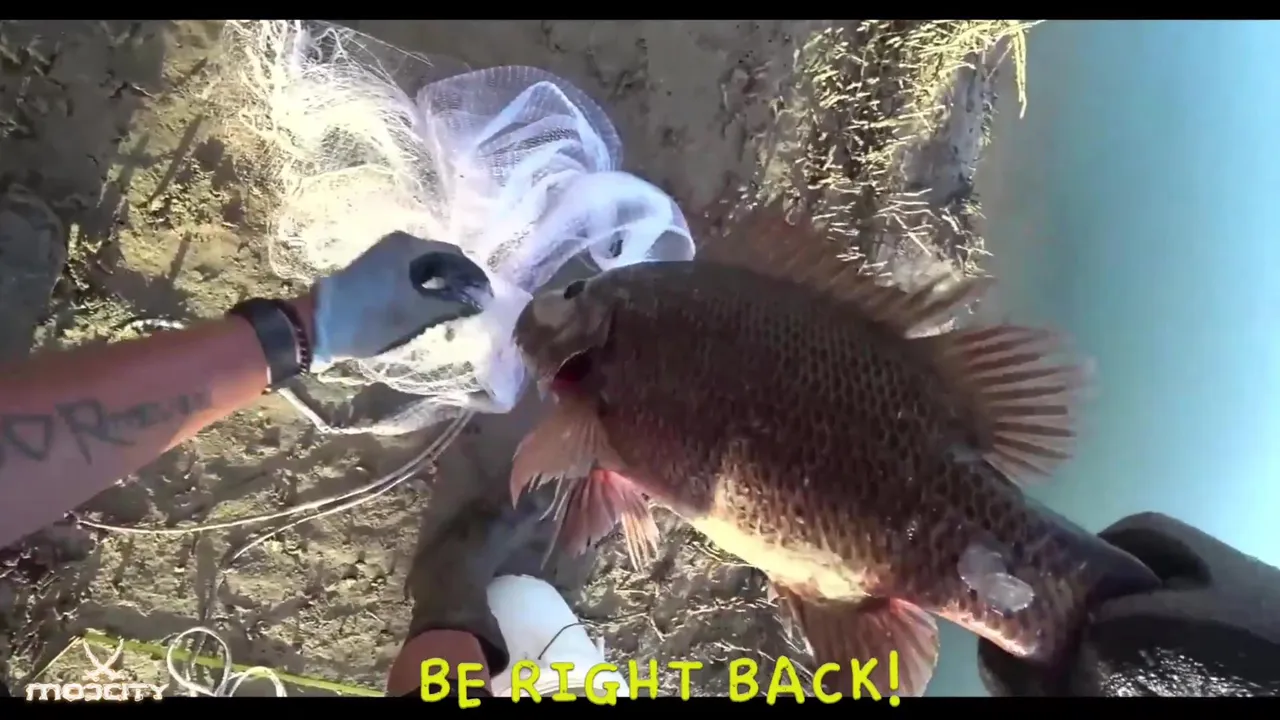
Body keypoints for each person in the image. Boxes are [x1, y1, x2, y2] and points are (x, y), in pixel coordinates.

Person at [0, 193, 1276, 698]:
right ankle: (474, 614)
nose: (549, 304)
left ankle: (464, 615)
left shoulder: (602, 370)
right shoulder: (618, 355)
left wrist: (304, 331)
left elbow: (577, 449)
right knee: (517, 586)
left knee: (504, 574)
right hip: (911, 548)